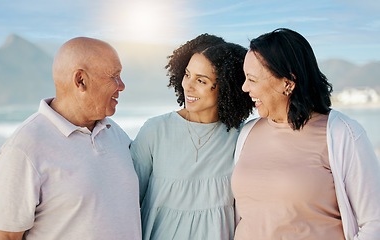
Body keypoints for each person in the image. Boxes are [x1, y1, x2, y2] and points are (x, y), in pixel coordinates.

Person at [232, 28, 380, 240]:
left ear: (287, 83)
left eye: (252, 79)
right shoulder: (248, 132)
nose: (245, 87)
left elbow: (374, 223)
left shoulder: (342, 133)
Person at [0, 37, 142, 240]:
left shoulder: (116, 133)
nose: (121, 86)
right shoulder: (23, 148)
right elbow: (5, 236)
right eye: (114, 76)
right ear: (81, 80)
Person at [130, 34, 254, 240]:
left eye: (201, 80)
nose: (188, 85)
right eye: (187, 74)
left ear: (226, 88)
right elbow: (127, 200)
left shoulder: (241, 137)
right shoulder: (155, 130)